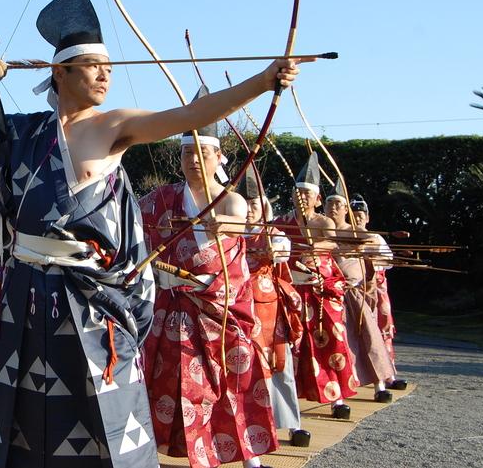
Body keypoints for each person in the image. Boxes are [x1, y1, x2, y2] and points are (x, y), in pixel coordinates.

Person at [0, 0, 301, 467]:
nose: (104, 74)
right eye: (92, 65)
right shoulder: (25, 132)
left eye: (108, 67)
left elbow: (190, 117)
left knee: (104, 404)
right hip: (26, 294)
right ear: (60, 72)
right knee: (22, 413)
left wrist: (261, 81)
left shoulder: (114, 126)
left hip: (88, 295)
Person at [138, 104, 278, 468]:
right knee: (169, 383)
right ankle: (155, 453)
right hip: (171, 308)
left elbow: (234, 248)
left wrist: (225, 224)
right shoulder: (161, 200)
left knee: (232, 381)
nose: (193, 160)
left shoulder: (231, 200)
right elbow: (135, 227)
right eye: (186, 153)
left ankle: (247, 453)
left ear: (220, 157)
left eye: (202, 153)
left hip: (220, 308)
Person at [273, 154, 359, 419]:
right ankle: (294, 399)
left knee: (332, 339)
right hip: (292, 287)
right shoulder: (281, 222)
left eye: (308, 194)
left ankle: (338, 399)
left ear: (318, 199)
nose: (302, 197)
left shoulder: (323, 222)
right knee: (295, 343)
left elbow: (332, 243)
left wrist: (314, 247)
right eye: (298, 192)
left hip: (321, 286)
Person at [239, 170, 309, 448]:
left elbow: (281, 251)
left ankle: (292, 423)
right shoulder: (227, 231)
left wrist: (271, 248)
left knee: (279, 365)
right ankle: (242, 423)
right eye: (244, 205)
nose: (248, 211)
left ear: (263, 207)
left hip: (267, 309)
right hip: (235, 306)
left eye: (254, 205)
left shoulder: (274, 233)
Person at [324, 191, 396, 402]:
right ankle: (338, 395)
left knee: (369, 336)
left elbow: (373, 262)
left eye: (338, 204)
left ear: (346, 209)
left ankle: (379, 384)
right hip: (330, 293)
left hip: (355, 292)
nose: (333, 208)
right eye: (329, 204)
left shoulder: (359, 234)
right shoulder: (320, 231)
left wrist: (365, 278)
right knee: (338, 343)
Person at [350, 194, 406, 390]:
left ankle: (389, 374)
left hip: (377, 288)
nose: (357, 218)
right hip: (355, 290)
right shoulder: (344, 237)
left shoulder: (375, 237)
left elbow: (389, 261)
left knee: (383, 330)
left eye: (360, 215)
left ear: (367, 217)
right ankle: (363, 376)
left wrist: (372, 260)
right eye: (353, 214)